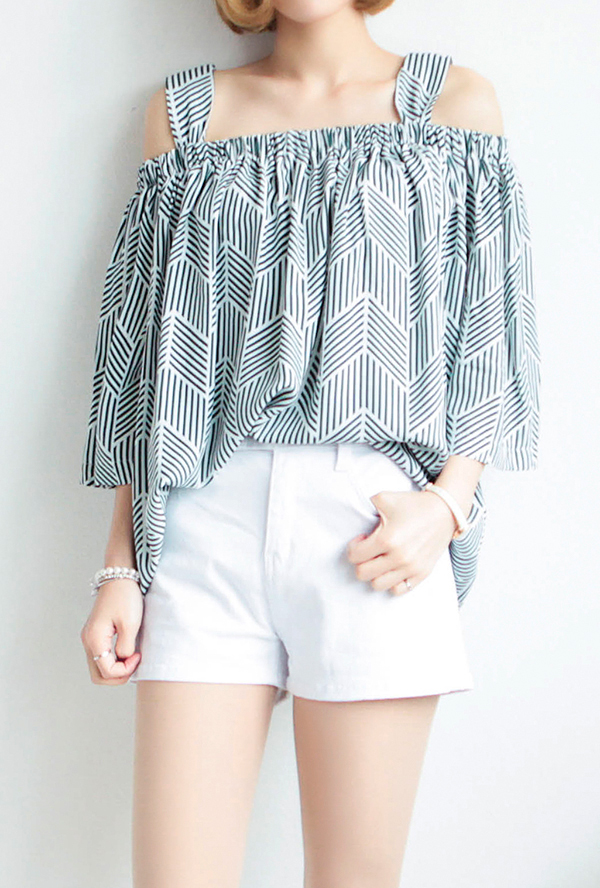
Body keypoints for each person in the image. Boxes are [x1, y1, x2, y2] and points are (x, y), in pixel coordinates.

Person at [79, 1, 541, 885]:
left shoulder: (451, 105)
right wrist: (119, 565)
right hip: (201, 523)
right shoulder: (185, 115)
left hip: (373, 526)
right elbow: (147, 360)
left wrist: (447, 506)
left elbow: (492, 330)